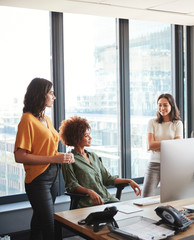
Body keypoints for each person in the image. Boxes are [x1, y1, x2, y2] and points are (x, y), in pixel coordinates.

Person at [14, 78, 75, 240]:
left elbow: (49, 146)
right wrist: (55, 158)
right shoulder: (27, 120)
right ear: (40, 95)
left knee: (39, 222)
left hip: (53, 176)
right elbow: (19, 156)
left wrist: (65, 157)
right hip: (38, 179)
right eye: (51, 93)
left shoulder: (45, 119)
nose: (54, 97)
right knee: (49, 226)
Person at [59, 116, 141, 207]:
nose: (90, 138)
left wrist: (129, 181)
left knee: (129, 210)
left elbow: (107, 178)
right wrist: (89, 191)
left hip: (107, 199)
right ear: (76, 138)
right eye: (86, 136)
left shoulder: (93, 156)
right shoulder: (68, 159)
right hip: (89, 203)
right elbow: (72, 186)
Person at [143, 93, 183, 197]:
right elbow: (151, 145)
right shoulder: (152, 122)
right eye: (160, 105)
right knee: (146, 197)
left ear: (171, 106)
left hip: (171, 164)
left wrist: (158, 145)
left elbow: (177, 146)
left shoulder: (177, 124)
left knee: (172, 198)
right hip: (154, 163)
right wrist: (169, 143)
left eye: (165, 105)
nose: (162, 108)